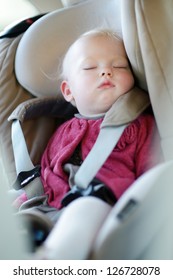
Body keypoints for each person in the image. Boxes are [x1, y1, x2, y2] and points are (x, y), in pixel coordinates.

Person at [40, 28, 162, 210]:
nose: (106, 71)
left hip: (109, 206)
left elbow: (153, 175)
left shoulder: (140, 126)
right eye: (89, 67)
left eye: (119, 66)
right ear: (68, 90)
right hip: (56, 209)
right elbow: (46, 173)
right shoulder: (62, 132)